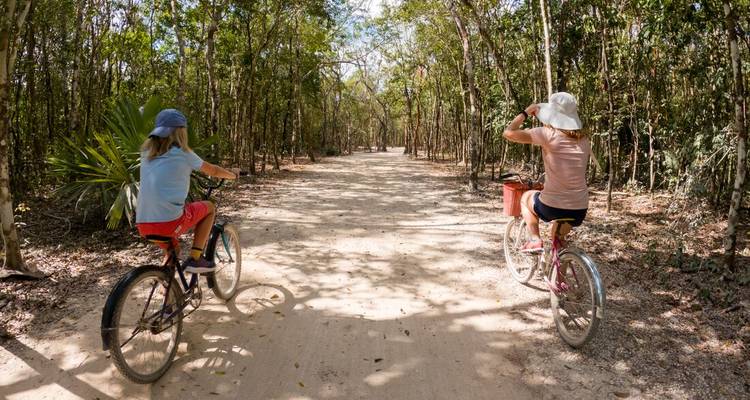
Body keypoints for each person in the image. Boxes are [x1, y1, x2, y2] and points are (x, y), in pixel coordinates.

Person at [135, 109, 240, 273]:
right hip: (169, 223)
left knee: (173, 251)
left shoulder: (145, 153)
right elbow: (212, 170)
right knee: (210, 207)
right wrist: (232, 175)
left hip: (143, 223)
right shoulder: (183, 154)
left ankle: (165, 288)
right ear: (180, 132)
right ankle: (196, 259)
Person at [502, 92, 590, 253]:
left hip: (553, 206)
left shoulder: (547, 134)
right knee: (558, 241)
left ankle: (535, 240)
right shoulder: (584, 140)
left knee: (526, 198)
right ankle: (560, 276)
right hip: (580, 207)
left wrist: (526, 112)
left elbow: (508, 133)